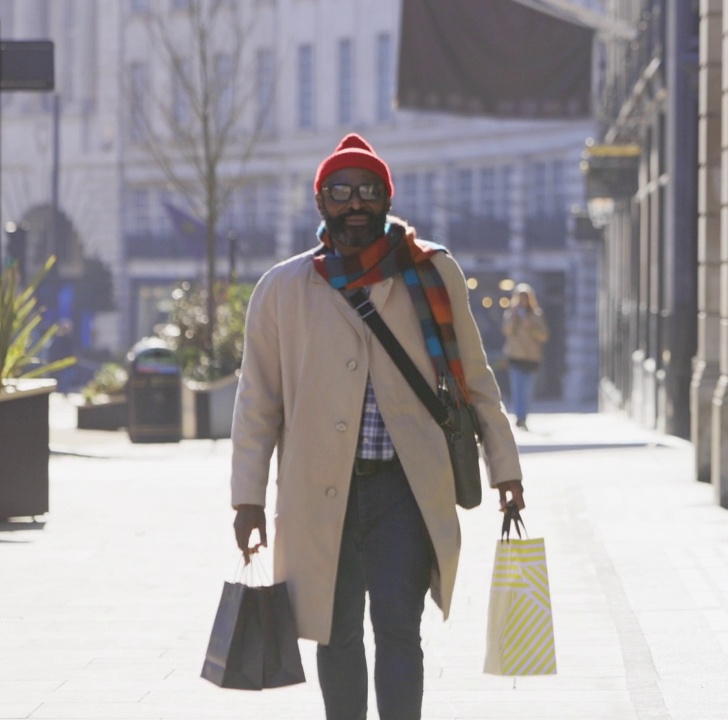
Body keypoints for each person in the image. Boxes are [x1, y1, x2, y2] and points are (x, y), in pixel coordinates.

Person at [229, 133, 524, 720]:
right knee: (334, 634)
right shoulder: (283, 289)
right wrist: (248, 500)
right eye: (340, 191)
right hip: (317, 492)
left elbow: (475, 377)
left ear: (387, 198)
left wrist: (506, 471)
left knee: (398, 630)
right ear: (321, 203)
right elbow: (256, 402)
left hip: (406, 490)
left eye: (368, 190)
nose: (354, 202)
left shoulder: (432, 272)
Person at [501, 283, 549, 430]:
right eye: (520, 298)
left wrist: (531, 327)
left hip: (530, 358)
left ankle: (524, 417)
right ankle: (518, 416)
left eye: (525, 298)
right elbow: (506, 331)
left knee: (527, 390)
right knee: (517, 389)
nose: (523, 301)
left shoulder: (536, 315)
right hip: (515, 356)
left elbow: (543, 336)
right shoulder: (511, 313)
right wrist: (514, 317)